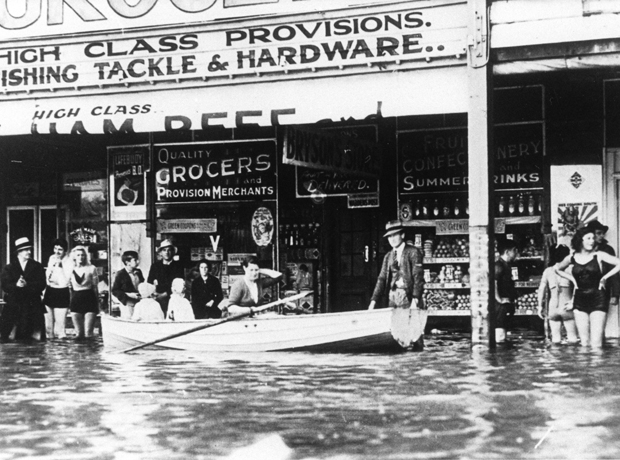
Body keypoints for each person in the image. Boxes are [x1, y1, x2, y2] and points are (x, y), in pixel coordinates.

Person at [555, 227, 620, 347]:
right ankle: (584, 365)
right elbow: (557, 269)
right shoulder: (572, 257)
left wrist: (605, 277)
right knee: (584, 343)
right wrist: (573, 280)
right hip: (580, 298)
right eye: (588, 238)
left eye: (593, 238)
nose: (592, 241)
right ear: (580, 240)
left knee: (596, 343)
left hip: (598, 298)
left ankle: (596, 365)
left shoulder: (599, 255)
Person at [368, 220, 425, 349]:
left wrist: (415, 300)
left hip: (408, 296)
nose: (392, 239)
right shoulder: (388, 256)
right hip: (392, 297)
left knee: (413, 334)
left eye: (395, 235)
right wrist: (373, 301)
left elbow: (418, 278)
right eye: (389, 236)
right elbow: (382, 279)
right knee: (396, 334)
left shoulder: (413, 252)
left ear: (403, 235)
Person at [0, 237, 47, 342]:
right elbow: (5, 285)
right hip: (14, 306)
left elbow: (42, 284)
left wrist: (27, 284)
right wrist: (16, 285)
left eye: (30, 249)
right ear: (18, 252)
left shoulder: (37, 266)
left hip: (32, 306)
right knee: (10, 339)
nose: (29, 252)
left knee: (34, 339)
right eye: (26, 250)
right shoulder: (9, 268)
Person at [537, 246, 579, 344]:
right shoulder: (571, 269)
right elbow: (577, 287)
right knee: (572, 339)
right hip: (566, 305)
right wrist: (573, 301)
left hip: (553, 308)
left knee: (555, 340)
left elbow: (541, 289)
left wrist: (539, 307)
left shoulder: (548, 271)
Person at [585, 220, 620, 307]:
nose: (602, 236)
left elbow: (614, 271)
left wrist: (615, 294)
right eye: (598, 233)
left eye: (603, 233)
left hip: (601, 290)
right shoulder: (583, 249)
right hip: (583, 291)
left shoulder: (607, 249)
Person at [43, 238, 73, 339]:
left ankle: (60, 353)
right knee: (48, 327)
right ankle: (50, 351)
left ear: (65, 250)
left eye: (60, 249)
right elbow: (48, 275)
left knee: (59, 328)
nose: (57, 251)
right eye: (55, 248)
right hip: (50, 291)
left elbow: (65, 281)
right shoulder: (52, 258)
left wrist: (60, 267)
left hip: (62, 292)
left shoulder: (69, 261)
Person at [147, 239, 184, 316]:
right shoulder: (155, 266)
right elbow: (149, 283)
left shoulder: (178, 266)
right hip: (157, 301)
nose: (167, 252)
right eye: (164, 250)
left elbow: (178, 286)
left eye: (169, 250)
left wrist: (164, 294)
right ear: (160, 252)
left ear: (173, 252)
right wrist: (154, 294)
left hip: (172, 300)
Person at [69, 246, 99, 339]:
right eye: (78, 255)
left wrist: (97, 302)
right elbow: (69, 288)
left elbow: (95, 287)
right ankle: (78, 353)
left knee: (88, 333)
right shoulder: (69, 268)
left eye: (82, 255)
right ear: (74, 257)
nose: (81, 257)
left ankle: (90, 352)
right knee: (78, 333)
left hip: (89, 298)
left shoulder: (91, 268)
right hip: (76, 299)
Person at [494, 238, 519, 343]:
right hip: (500, 306)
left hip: (506, 303)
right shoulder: (499, 266)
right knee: (500, 336)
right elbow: (493, 283)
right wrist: (499, 299)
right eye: (515, 250)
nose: (516, 253)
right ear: (507, 252)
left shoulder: (508, 265)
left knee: (503, 334)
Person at [112, 250, 144, 319]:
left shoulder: (138, 272)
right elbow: (115, 290)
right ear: (127, 262)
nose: (137, 262)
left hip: (139, 303)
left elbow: (142, 285)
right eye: (135, 260)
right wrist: (129, 295)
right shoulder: (120, 274)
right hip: (127, 305)